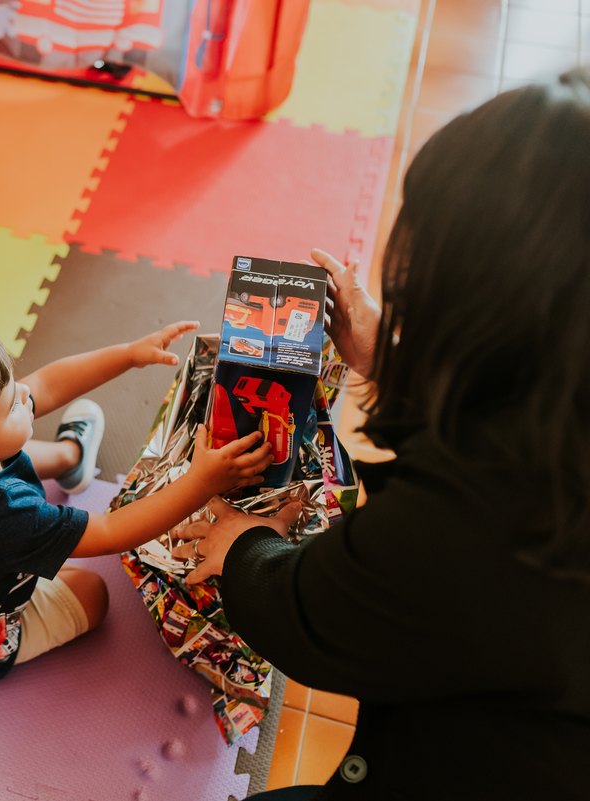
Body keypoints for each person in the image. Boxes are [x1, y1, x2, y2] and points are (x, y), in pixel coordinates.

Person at [182, 69, 590, 798]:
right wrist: (387, 359)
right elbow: (514, 405)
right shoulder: (559, 401)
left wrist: (242, 547)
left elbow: (312, 611)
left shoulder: (460, 526)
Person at [0, 318, 274, 681]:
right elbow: (110, 532)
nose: (26, 394)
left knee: (13, 452)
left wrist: (128, 352)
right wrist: (201, 481)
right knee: (93, 592)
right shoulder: (9, 517)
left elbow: (46, 383)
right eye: (12, 403)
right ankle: (69, 458)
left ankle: (71, 456)